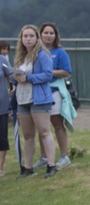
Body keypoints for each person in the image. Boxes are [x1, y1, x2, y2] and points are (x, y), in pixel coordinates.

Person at [12, 25, 58, 179]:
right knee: (27, 135)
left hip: (39, 98)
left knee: (44, 131)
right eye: (25, 36)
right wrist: (14, 78)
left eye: (31, 36)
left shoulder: (42, 55)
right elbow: (17, 76)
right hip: (22, 98)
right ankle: (28, 167)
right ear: (21, 39)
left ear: (37, 38)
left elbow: (47, 75)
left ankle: (51, 165)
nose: (28, 39)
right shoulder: (20, 56)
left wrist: (28, 78)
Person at [35, 22, 75, 168]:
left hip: (54, 90)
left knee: (57, 123)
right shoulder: (36, 52)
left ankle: (64, 155)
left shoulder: (60, 53)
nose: (48, 36)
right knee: (42, 126)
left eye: (51, 33)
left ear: (55, 36)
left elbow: (66, 71)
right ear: (40, 35)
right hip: (39, 91)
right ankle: (44, 156)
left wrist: (50, 73)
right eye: (46, 33)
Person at [0, 40, 13, 176]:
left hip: (1, 105)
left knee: (1, 136)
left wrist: (13, 88)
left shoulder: (2, 59)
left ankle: (0, 168)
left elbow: (11, 77)